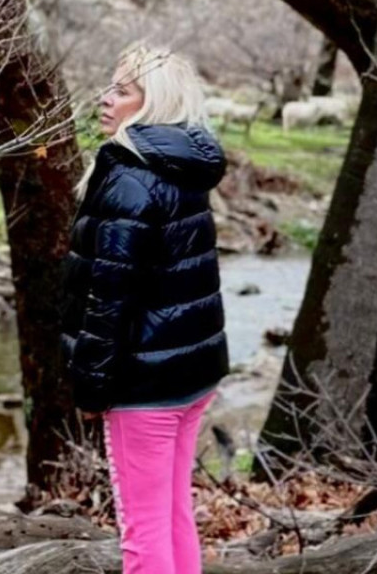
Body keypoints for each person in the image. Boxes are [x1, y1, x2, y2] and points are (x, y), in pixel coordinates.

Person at [62, 42, 230, 574]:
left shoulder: (130, 179)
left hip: (145, 386)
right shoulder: (183, 166)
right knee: (174, 512)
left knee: (143, 531)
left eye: (122, 90)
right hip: (191, 376)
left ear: (152, 102)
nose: (104, 99)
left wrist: (91, 388)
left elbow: (108, 298)